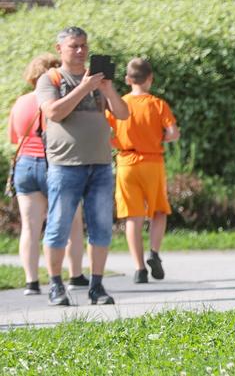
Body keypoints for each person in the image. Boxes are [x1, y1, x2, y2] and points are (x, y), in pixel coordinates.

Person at [35, 26, 129, 306]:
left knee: (101, 227)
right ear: (59, 49)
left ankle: (97, 286)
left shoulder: (98, 81)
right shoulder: (50, 79)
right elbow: (54, 112)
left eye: (84, 46)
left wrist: (108, 90)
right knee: (58, 226)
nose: (80, 51)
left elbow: (123, 113)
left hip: (100, 164)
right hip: (65, 165)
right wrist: (84, 88)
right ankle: (55, 285)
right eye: (74, 46)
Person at [8, 53, 89, 296]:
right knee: (73, 221)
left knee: (30, 227)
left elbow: (14, 138)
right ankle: (75, 274)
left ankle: (31, 282)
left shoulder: (20, 102)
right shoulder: (58, 102)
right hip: (55, 164)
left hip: (24, 165)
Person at [106, 58, 179, 284]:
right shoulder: (158, 104)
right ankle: (154, 253)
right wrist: (163, 137)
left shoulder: (119, 104)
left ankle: (138, 269)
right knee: (158, 211)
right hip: (152, 162)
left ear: (128, 79)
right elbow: (173, 132)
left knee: (132, 217)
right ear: (150, 79)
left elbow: (107, 134)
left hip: (126, 162)